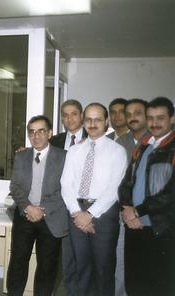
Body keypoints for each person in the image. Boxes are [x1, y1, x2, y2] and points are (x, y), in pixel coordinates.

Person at [61, 103, 127, 296]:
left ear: (106, 122)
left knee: (103, 270)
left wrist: (89, 214)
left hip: (104, 215)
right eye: (88, 119)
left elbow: (114, 188)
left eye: (97, 119)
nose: (92, 123)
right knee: (82, 268)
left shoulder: (117, 151)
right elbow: (66, 184)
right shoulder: (74, 151)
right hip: (76, 211)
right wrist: (76, 213)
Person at [119, 97, 175, 296]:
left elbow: (170, 194)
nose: (154, 123)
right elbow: (126, 183)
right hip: (135, 226)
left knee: (159, 286)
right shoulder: (143, 146)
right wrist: (126, 209)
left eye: (160, 118)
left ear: (172, 118)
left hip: (161, 229)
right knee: (134, 283)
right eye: (150, 118)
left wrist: (137, 211)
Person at [7, 115, 67, 296]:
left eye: (41, 131)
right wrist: (28, 207)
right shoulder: (21, 156)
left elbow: (66, 190)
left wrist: (42, 210)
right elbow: (15, 186)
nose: (36, 136)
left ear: (49, 133)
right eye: (32, 132)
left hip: (51, 218)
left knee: (47, 267)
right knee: (17, 262)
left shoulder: (64, 157)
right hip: (24, 215)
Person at [50, 99, 86, 296]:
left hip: (82, 207)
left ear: (81, 116)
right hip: (58, 207)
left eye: (73, 114)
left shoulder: (93, 139)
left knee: (81, 256)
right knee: (63, 258)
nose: (69, 118)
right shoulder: (55, 140)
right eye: (65, 114)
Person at [114, 98, 148, 296]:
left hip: (150, 216)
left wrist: (138, 210)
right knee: (120, 262)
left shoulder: (158, 141)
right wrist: (126, 208)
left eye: (137, 113)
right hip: (123, 215)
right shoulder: (120, 143)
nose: (132, 117)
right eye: (129, 114)